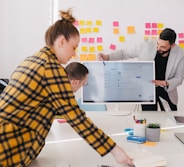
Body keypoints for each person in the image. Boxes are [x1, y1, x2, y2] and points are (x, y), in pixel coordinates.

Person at [0, 9, 134, 167]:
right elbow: (76, 118)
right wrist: (115, 150)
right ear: (61, 42)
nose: (74, 54)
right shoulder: (50, 68)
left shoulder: (33, 59)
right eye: (74, 47)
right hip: (8, 144)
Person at [99, 28, 184, 111]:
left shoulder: (179, 53)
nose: (158, 48)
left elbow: (179, 78)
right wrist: (107, 57)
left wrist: (166, 83)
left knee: (172, 119)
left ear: (172, 45)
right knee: (149, 119)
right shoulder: (146, 45)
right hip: (147, 89)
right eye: (158, 44)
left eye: (163, 47)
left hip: (167, 91)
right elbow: (124, 53)